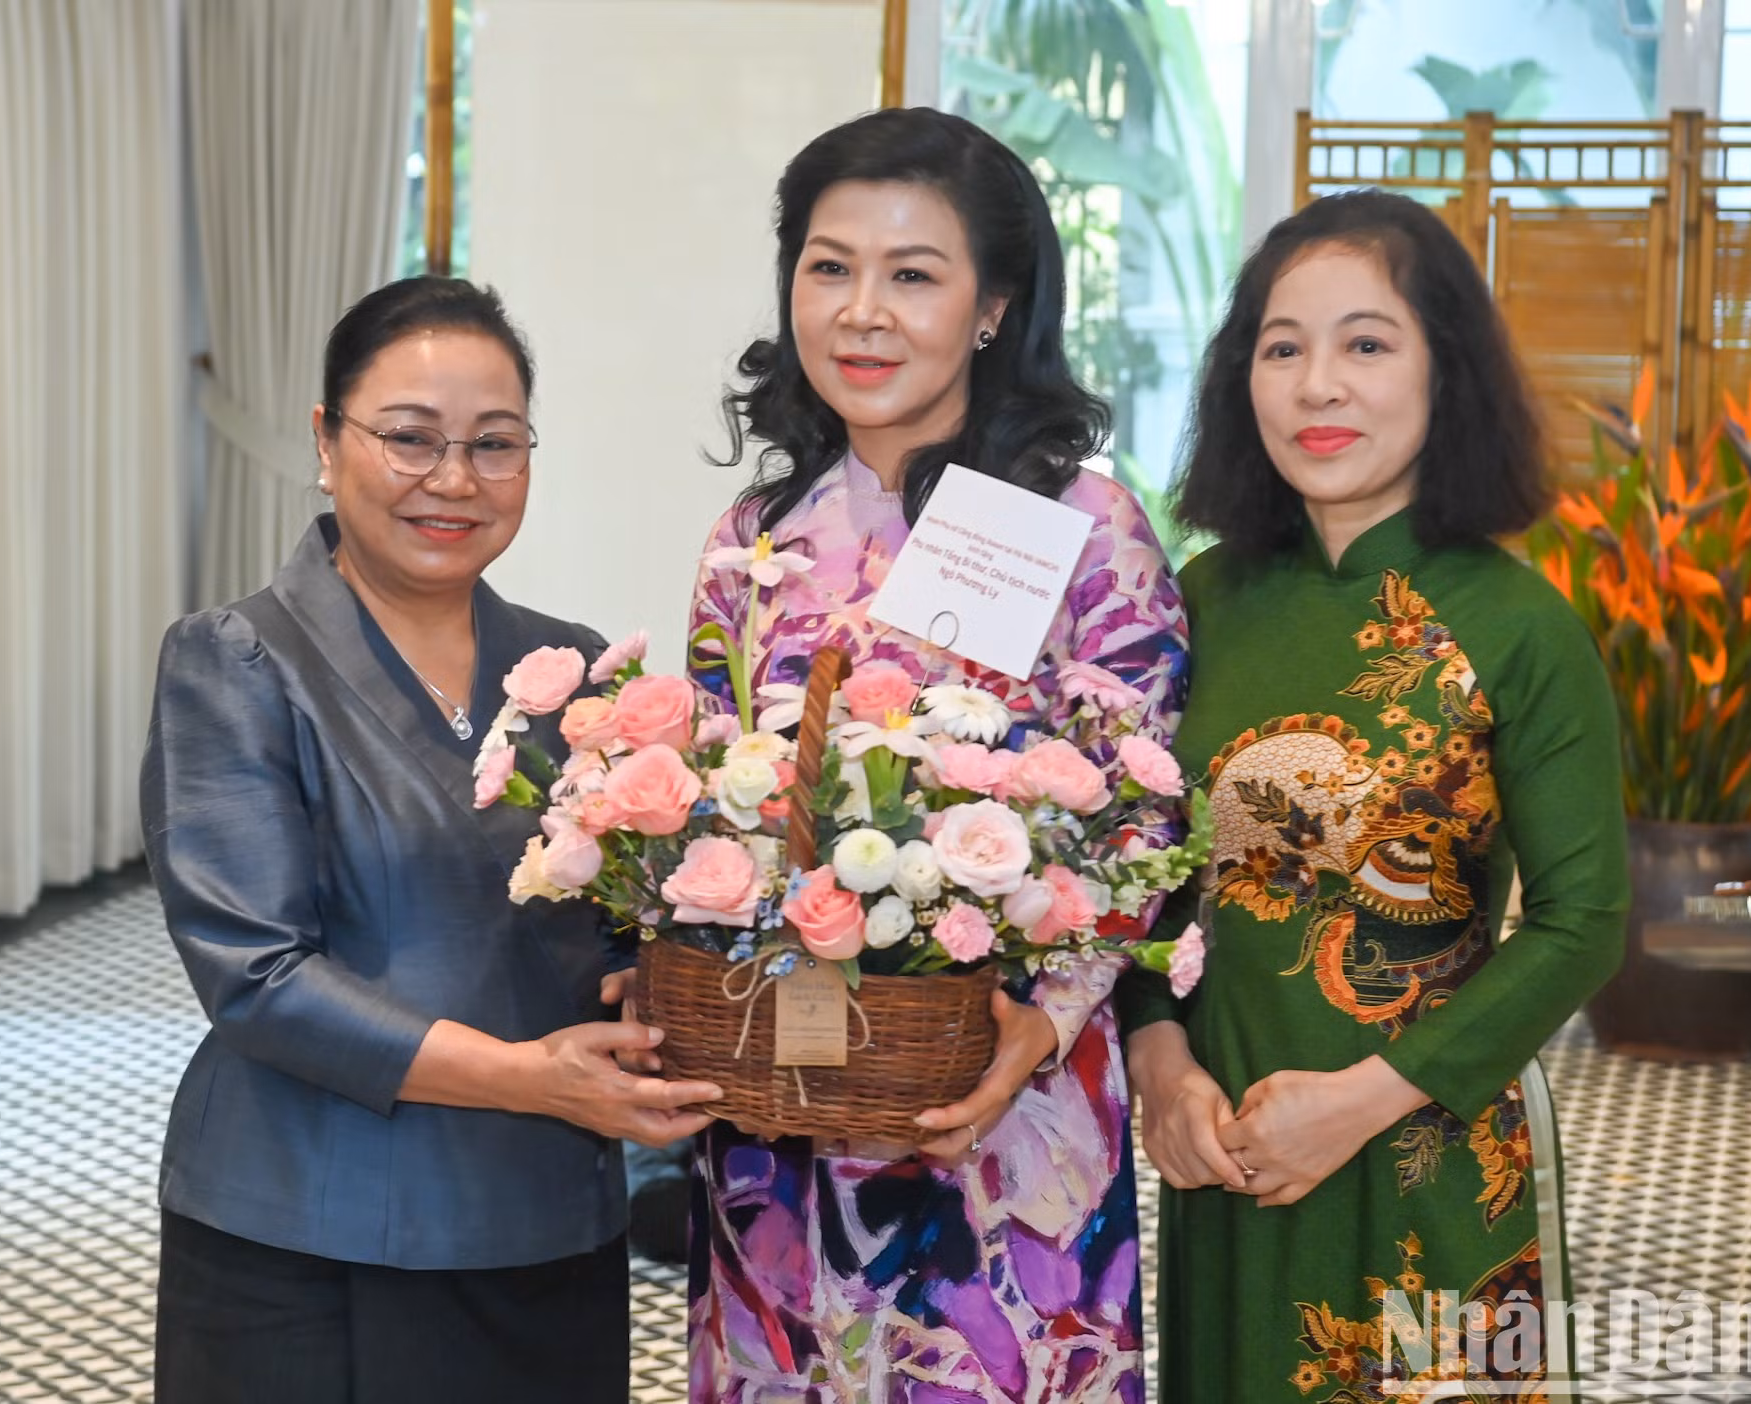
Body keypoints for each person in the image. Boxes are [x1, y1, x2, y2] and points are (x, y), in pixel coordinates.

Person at [141, 276, 720, 1404]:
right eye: (410, 439)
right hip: (314, 1232)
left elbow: (624, 932)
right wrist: (526, 1078)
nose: (454, 480)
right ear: (326, 439)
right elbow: (258, 977)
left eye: (494, 444)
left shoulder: (571, 675)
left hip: (547, 1213)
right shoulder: (237, 661)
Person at [684, 107, 1188, 1402]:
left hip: (1000, 1111)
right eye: (828, 265)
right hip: (782, 1118)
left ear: (990, 309)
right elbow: (706, 807)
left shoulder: (1084, 527)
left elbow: (1142, 818)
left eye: (912, 275)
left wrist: (1043, 1021)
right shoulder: (760, 533)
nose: (862, 311)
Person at [1114, 189, 1629, 1401]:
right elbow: (1136, 874)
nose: (1317, 386)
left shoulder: (1517, 623)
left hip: (1430, 1147)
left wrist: (1359, 1102)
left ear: (1444, 370)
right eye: (1281, 348)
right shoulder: (1201, 601)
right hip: (1226, 1148)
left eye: (1366, 343)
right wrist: (1157, 1060)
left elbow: (1586, 919)